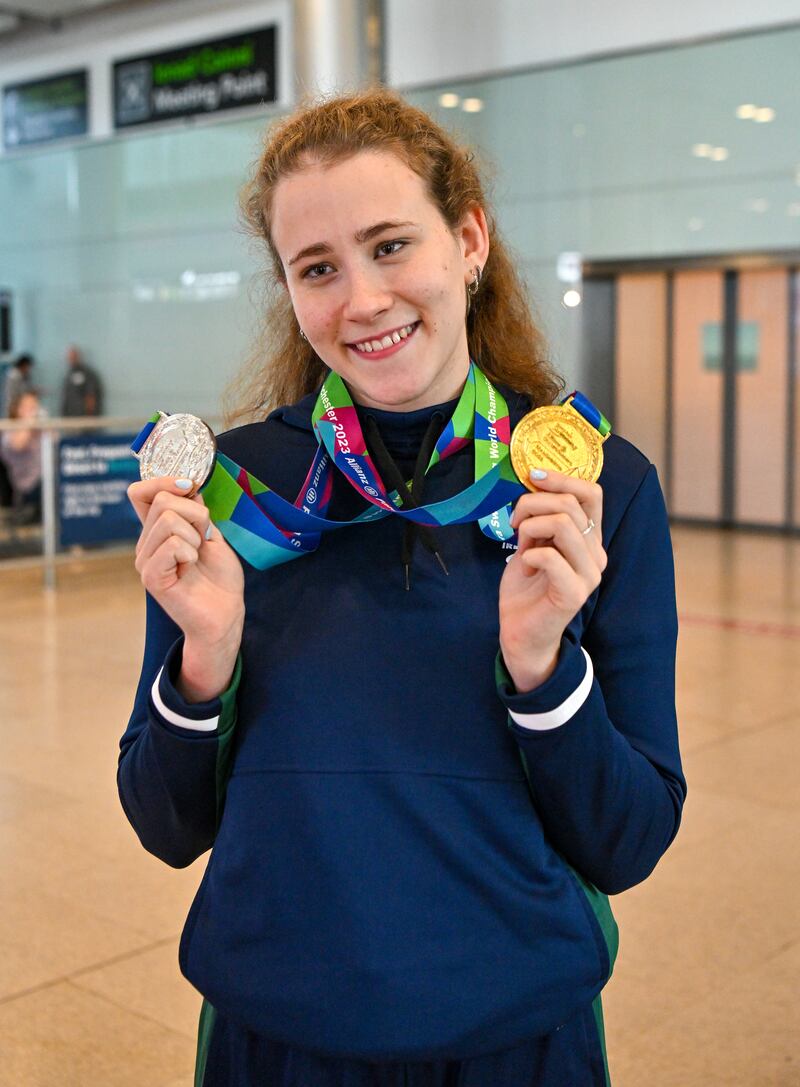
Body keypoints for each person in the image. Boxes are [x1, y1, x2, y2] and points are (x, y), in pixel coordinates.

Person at [119, 89, 685, 1087]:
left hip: (516, 1031)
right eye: (318, 268)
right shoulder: (231, 494)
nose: (363, 300)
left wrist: (544, 673)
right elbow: (165, 827)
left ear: (467, 241)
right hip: (277, 1033)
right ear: (289, 289)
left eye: (389, 246)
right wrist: (204, 662)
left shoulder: (591, 490)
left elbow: (628, 839)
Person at [0, 390, 44, 522]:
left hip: (47, 482)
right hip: (28, 488)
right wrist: (29, 422)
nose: (35, 410)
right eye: (30, 407)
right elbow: (18, 444)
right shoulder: (9, 432)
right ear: (18, 409)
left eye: (35, 406)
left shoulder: (38, 430)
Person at [60, 344, 102, 417]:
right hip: (70, 415)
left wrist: (90, 414)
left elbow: (91, 395)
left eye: (73, 357)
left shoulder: (87, 373)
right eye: (69, 357)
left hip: (83, 415)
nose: (71, 359)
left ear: (78, 357)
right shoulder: (69, 374)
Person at [1, 353, 35, 418]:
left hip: (15, 404)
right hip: (13, 403)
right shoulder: (14, 375)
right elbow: (15, 392)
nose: (29, 369)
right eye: (28, 366)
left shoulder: (21, 375)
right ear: (24, 365)